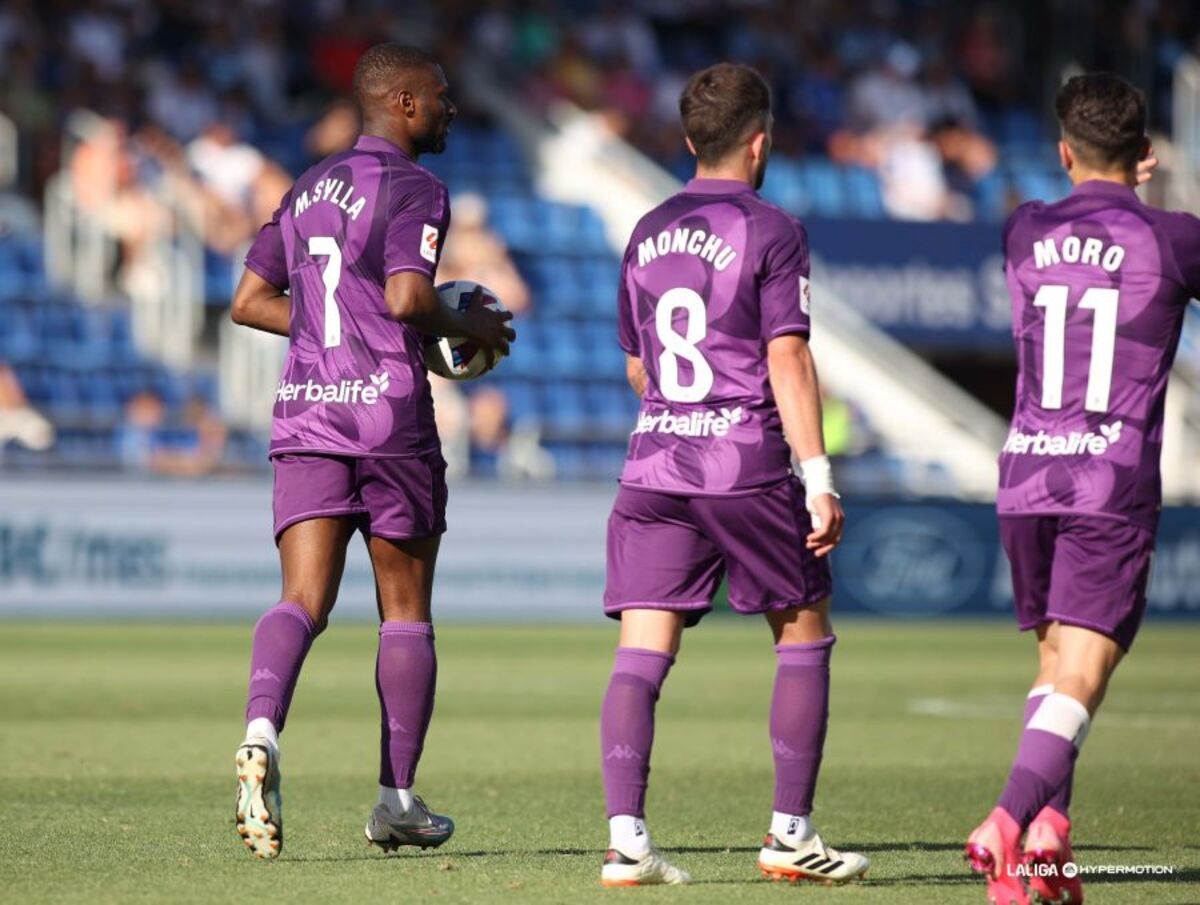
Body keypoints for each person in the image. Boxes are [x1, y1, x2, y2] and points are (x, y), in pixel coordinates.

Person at [227, 43, 513, 860]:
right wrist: (470, 327)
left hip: (309, 413)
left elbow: (250, 301)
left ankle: (260, 730)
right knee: (405, 611)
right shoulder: (418, 186)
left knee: (301, 599)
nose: (453, 108)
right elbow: (408, 296)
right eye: (443, 96)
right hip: (387, 420)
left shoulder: (308, 184)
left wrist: (334, 330)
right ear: (406, 103)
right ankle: (395, 799)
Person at [597, 62, 869, 888]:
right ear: (761, 142)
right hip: (740, 462)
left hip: (654, 464)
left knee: (641, 652)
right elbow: (786, 352)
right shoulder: (774, 228)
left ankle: (626, 843)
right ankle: (790, 832)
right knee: (803, 630)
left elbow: (641, 369)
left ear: (688, 141)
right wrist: (817, 472)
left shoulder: (645, 229)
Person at [965, 72, 1196, 905]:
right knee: (1086, 674)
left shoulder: (1023, 228)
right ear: (1147, 158)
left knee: (1056, 663)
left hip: (1027, 470)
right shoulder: (1174, 237)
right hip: (1110, 476)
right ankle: (1007, 818)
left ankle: (1049, 838)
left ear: (1063, 154)